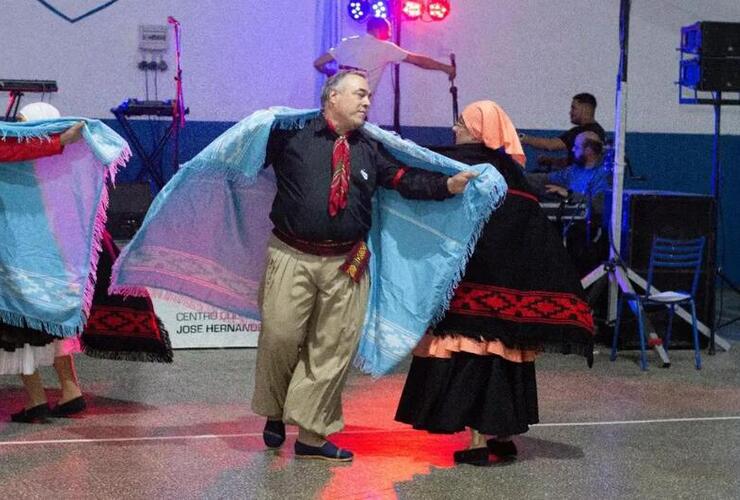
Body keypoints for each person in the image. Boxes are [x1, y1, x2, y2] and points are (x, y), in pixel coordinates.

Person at [253, 70, 476, 462]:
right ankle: (274, 410)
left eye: (369, 96)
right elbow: (243, 154)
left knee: (334, 348)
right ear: (332, 97)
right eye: (359, 94)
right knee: (280, 338)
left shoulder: (371, 148)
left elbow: (404, 179)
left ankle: (311, 434)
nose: (367, 102)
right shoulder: (291, 136)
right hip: (292, 255)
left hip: (347, 262)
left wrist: (446, 187)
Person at [395, 101, 595, 466]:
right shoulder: (513, 174)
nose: (455, 129)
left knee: (471, 356)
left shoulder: (467, 165)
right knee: (501, 358)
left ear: (479, 129)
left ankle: (476, 440)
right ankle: (501, 436)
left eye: (461, 123)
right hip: (507, 290)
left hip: (473, 289)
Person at [0, 103, 86, 422]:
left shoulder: (23, 165)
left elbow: (7, 150)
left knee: (19, 325)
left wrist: (58, 142)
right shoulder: (62, 170)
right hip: (54, 258)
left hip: (18, 256)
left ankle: (36, 398)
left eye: (24, 125)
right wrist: (60, 142)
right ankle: (70, 389)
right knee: (53, 325)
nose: (19, 131)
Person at [313, 17, 455, 94]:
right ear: (378, 30)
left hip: (335, 98)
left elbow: (318, 63)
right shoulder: (385, 47)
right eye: (388, 31)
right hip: (355, 104)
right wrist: (446, 68)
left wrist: (329, 72)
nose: (390, 35)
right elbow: (418, 61)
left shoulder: (347, 43)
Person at [519, 93, 606, 170]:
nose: (570, 112)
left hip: (572, 180)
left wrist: (523, 138)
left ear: (585, 109)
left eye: (573, 108)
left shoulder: (581, 132)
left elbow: (550, 145)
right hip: (574, 178)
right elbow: (574, 162)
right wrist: (552, 161)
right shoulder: (599, 131)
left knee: (526, 180)